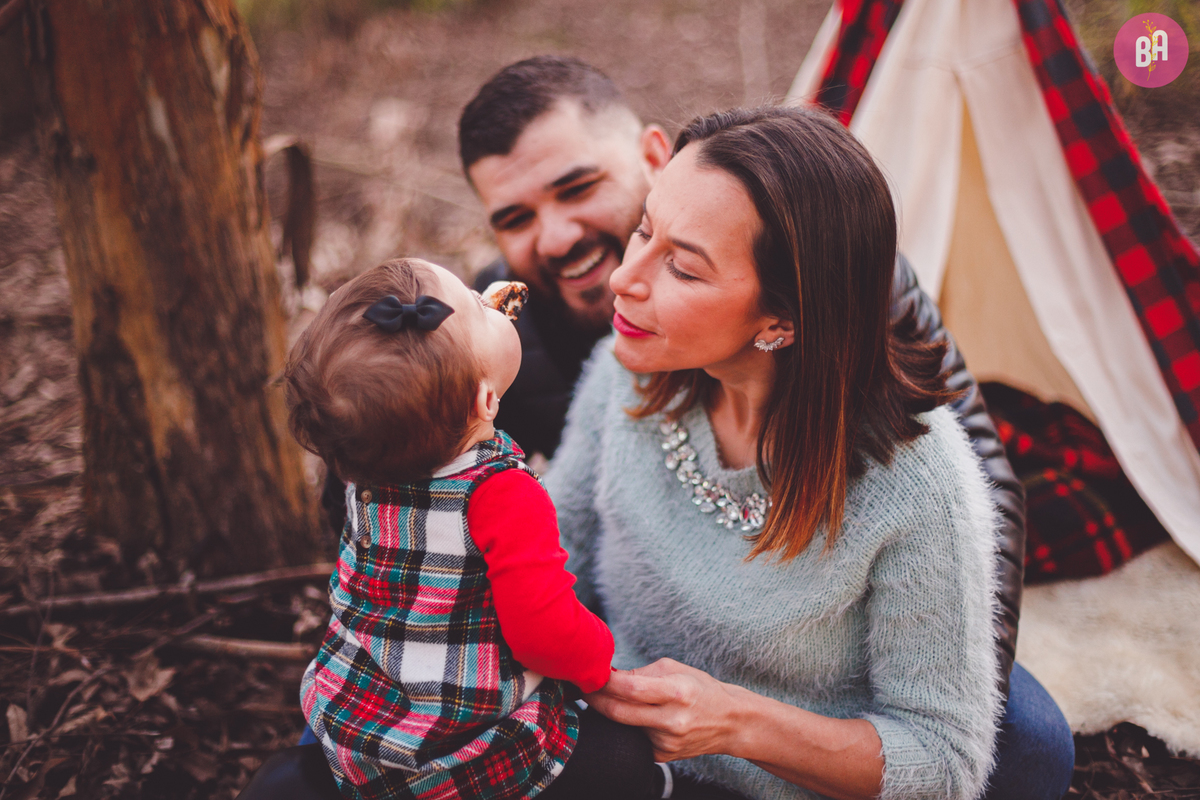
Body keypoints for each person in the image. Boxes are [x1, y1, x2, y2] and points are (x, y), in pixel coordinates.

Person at [453, 57, 1070, 799]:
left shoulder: (907, 454)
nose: (619, 275)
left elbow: (942, 742)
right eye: (643, 235)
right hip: (625, 740)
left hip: (800, 736)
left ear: (784, 318)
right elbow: (550, 545)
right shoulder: (597, 354)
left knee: (1026, 743)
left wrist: (743, 722)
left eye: (681, 266)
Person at [283, 258, 680, 800]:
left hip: (358, 724)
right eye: (476, 305)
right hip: (460, 748)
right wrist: (597, 661)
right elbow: (542, 631)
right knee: (624, 757)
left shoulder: (360, 466)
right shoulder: (500, 494)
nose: (485, 295)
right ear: (486, 400)